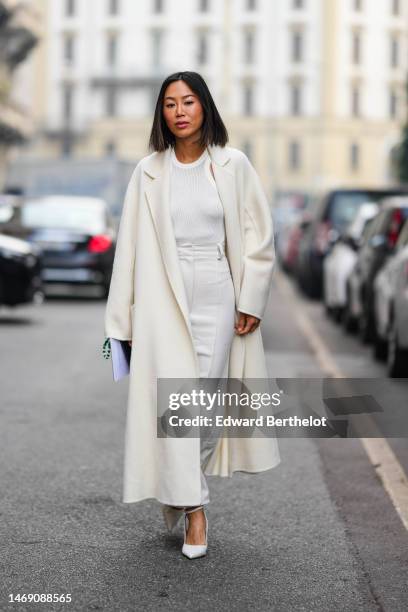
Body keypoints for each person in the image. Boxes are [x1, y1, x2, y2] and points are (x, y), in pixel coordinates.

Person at [104, 71, 280, 560]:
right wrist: (122, 326)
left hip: (217, 292)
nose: (179, 111)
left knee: (205, 403)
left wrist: (251, 299)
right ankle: (195, 511)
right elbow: (130, 254)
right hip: (163, 294)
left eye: (188, 101)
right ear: (161, 114)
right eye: (168, 104)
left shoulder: (232, 164)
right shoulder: (147, 171)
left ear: (205, 107)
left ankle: (179, 490)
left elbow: (258, 237)